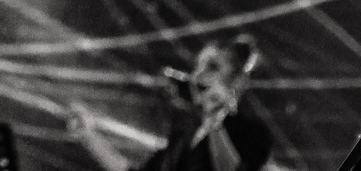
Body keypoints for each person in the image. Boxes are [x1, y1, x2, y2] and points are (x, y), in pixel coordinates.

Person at [70, 35, 271, 171]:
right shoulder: (183, 134)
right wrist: (90, 137)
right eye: (198, 66)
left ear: (237, 82)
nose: (197, 75)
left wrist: (215, 124)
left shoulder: (253, 134)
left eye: (212, 67)